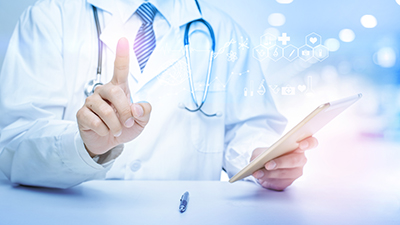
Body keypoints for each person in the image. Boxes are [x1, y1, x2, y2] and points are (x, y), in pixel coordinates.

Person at [0, 0, 318, 190]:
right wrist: (86, 146)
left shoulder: (223, 31)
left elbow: (249, 130)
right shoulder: (51, 17)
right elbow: (13, 146)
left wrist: (264, 161)